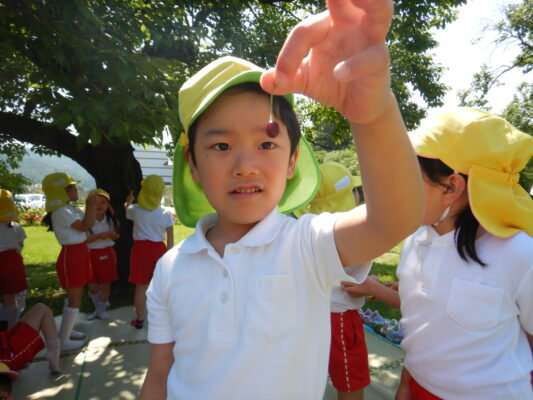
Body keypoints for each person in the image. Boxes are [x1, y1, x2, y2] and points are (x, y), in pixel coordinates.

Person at [140, 0, 424, 398]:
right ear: (193, 164)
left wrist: (373, 114)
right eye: (221, 146)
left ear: (292, 161)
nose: (245, 166)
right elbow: (159, 375)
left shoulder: (308, 245)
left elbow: (395, 219)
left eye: (266, 143)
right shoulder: (170, 268)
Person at [380, 108, 530, 400]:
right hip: (420, 388)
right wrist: (406, 384)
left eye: (407, 175)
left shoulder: (520, 254)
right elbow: (421, 327)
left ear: (451, 186)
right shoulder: (415, 240)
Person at [297, 162, 371, 400]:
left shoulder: (306, 231)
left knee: (308, 371)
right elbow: (353, 286)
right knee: (350, 378)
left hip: (309, 313)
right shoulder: (350, 235)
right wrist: (372, 286)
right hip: (340, 316)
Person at [41, 172, 97, 351]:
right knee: (75, 299)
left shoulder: (69, 209)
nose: (76, 190)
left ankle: (67, 330)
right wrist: (91, 205)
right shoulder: (61, 211)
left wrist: (90, 207)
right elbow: (85, 226)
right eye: (73, 187)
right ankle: (63, 340)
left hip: (79, 253)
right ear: (63, 191)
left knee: (75, 297)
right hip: (71, 256)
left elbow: (88, 223)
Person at [125, 175, 174, 329]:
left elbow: (126, 209)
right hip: (159, 249)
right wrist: (169, 254)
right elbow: (170, 235)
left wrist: (129, 200)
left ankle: (139, 320)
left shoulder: (135, 210)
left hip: (140, 250)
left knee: (141, 287)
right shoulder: (165, 212)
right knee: (162, 286)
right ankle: (165, 319)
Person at [85, 189, 119, 321]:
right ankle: (99, 308)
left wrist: (112, 235)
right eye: (95, 202)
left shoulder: (110, 220)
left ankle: (100, 311)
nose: (99, 205)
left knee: (105, 283)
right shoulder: (85, 221)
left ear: (108, 205)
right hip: (90, 254)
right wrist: (98, 236)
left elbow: (116, 236)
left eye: (103, 202)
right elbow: (82, 241)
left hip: (107, 253)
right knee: (92, 285)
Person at [0, 303, 61, 374]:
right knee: (43, 310)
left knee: (39, 307)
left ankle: (53, 352)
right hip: (7, 355)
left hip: (4, 344)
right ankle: (53, 352)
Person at [0, 190, 28, 330]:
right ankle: (11, 328)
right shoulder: (15, 227)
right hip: (12, 262)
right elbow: (20, 244)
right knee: (10, 297)